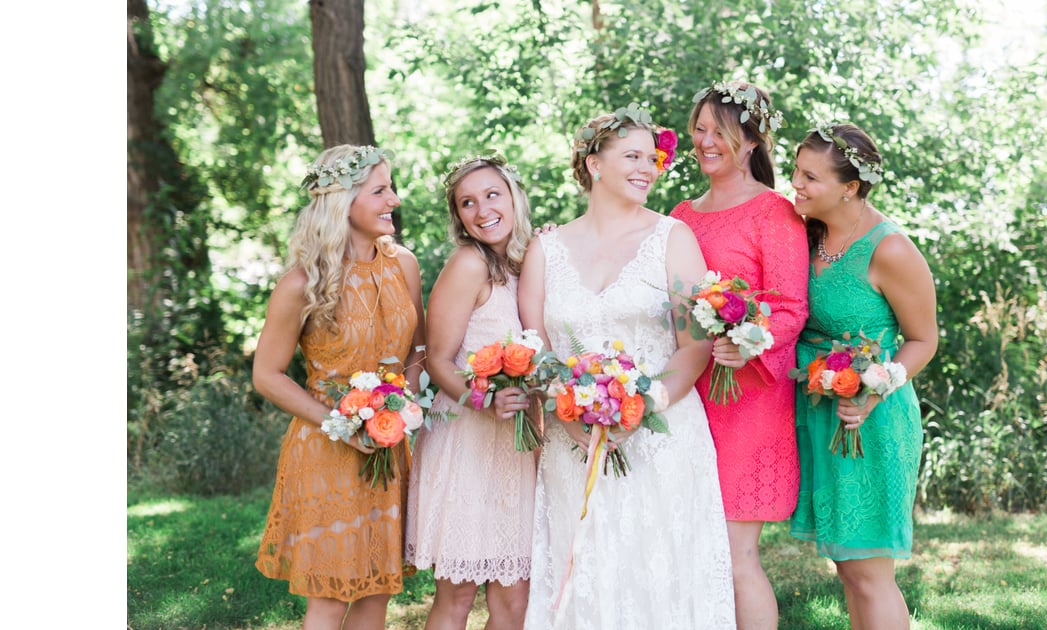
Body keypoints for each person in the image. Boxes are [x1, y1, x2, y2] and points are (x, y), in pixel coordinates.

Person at [517, 105, 736, 629]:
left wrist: (642, 407)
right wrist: (570, 417)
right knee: (586, 569)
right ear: (593, 164)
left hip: (662, 436)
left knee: (659, 570)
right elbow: (536, 350)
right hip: (572, 440)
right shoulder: (545, 249)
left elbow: (694, 346)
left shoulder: (673, 238)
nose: (649, 167)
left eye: (653, 157)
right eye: (632, 156)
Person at [252, 144, 428, 629]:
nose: (393, 198)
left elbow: (418, 348)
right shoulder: (301, 284)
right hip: (326, 448)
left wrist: (402, 408)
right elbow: (266, 375)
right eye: (380, 190)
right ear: (341, 201)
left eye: (390, 187)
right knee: (330, 598)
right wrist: (343, 424)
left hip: (388, 445)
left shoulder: (404, 264)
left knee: (376, 592)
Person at [669, 80, 808, 630]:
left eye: (717, 131)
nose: (704, 141)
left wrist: (743, 341)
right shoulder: (681, 213)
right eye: (698, 130)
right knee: (692, 552)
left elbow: (791, 306)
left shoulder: (774, 212)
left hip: (749, 400)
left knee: (733, 556)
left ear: (751, 140)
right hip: (691, 398)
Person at [788, 123, 938, 630]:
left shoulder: (889, 249)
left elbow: (924, 339)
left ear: (850, 186)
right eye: (795, 170)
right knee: (850, 570)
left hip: (870, 419)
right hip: (819, 411)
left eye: (811, 176)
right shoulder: (806, 232)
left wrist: (875, 390)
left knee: (870, 572)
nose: (796, 184)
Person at [405, 153, 537, 630]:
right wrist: (484, 399)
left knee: (515, 598)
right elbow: (437, 360)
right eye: (467, 203)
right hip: (467, 443)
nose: (482, 211)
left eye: (491, 195)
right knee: (458, 593)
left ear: (514, 195)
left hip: (517, 450)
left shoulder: (528, 261)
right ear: (458, 216)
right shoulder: (467, 263)